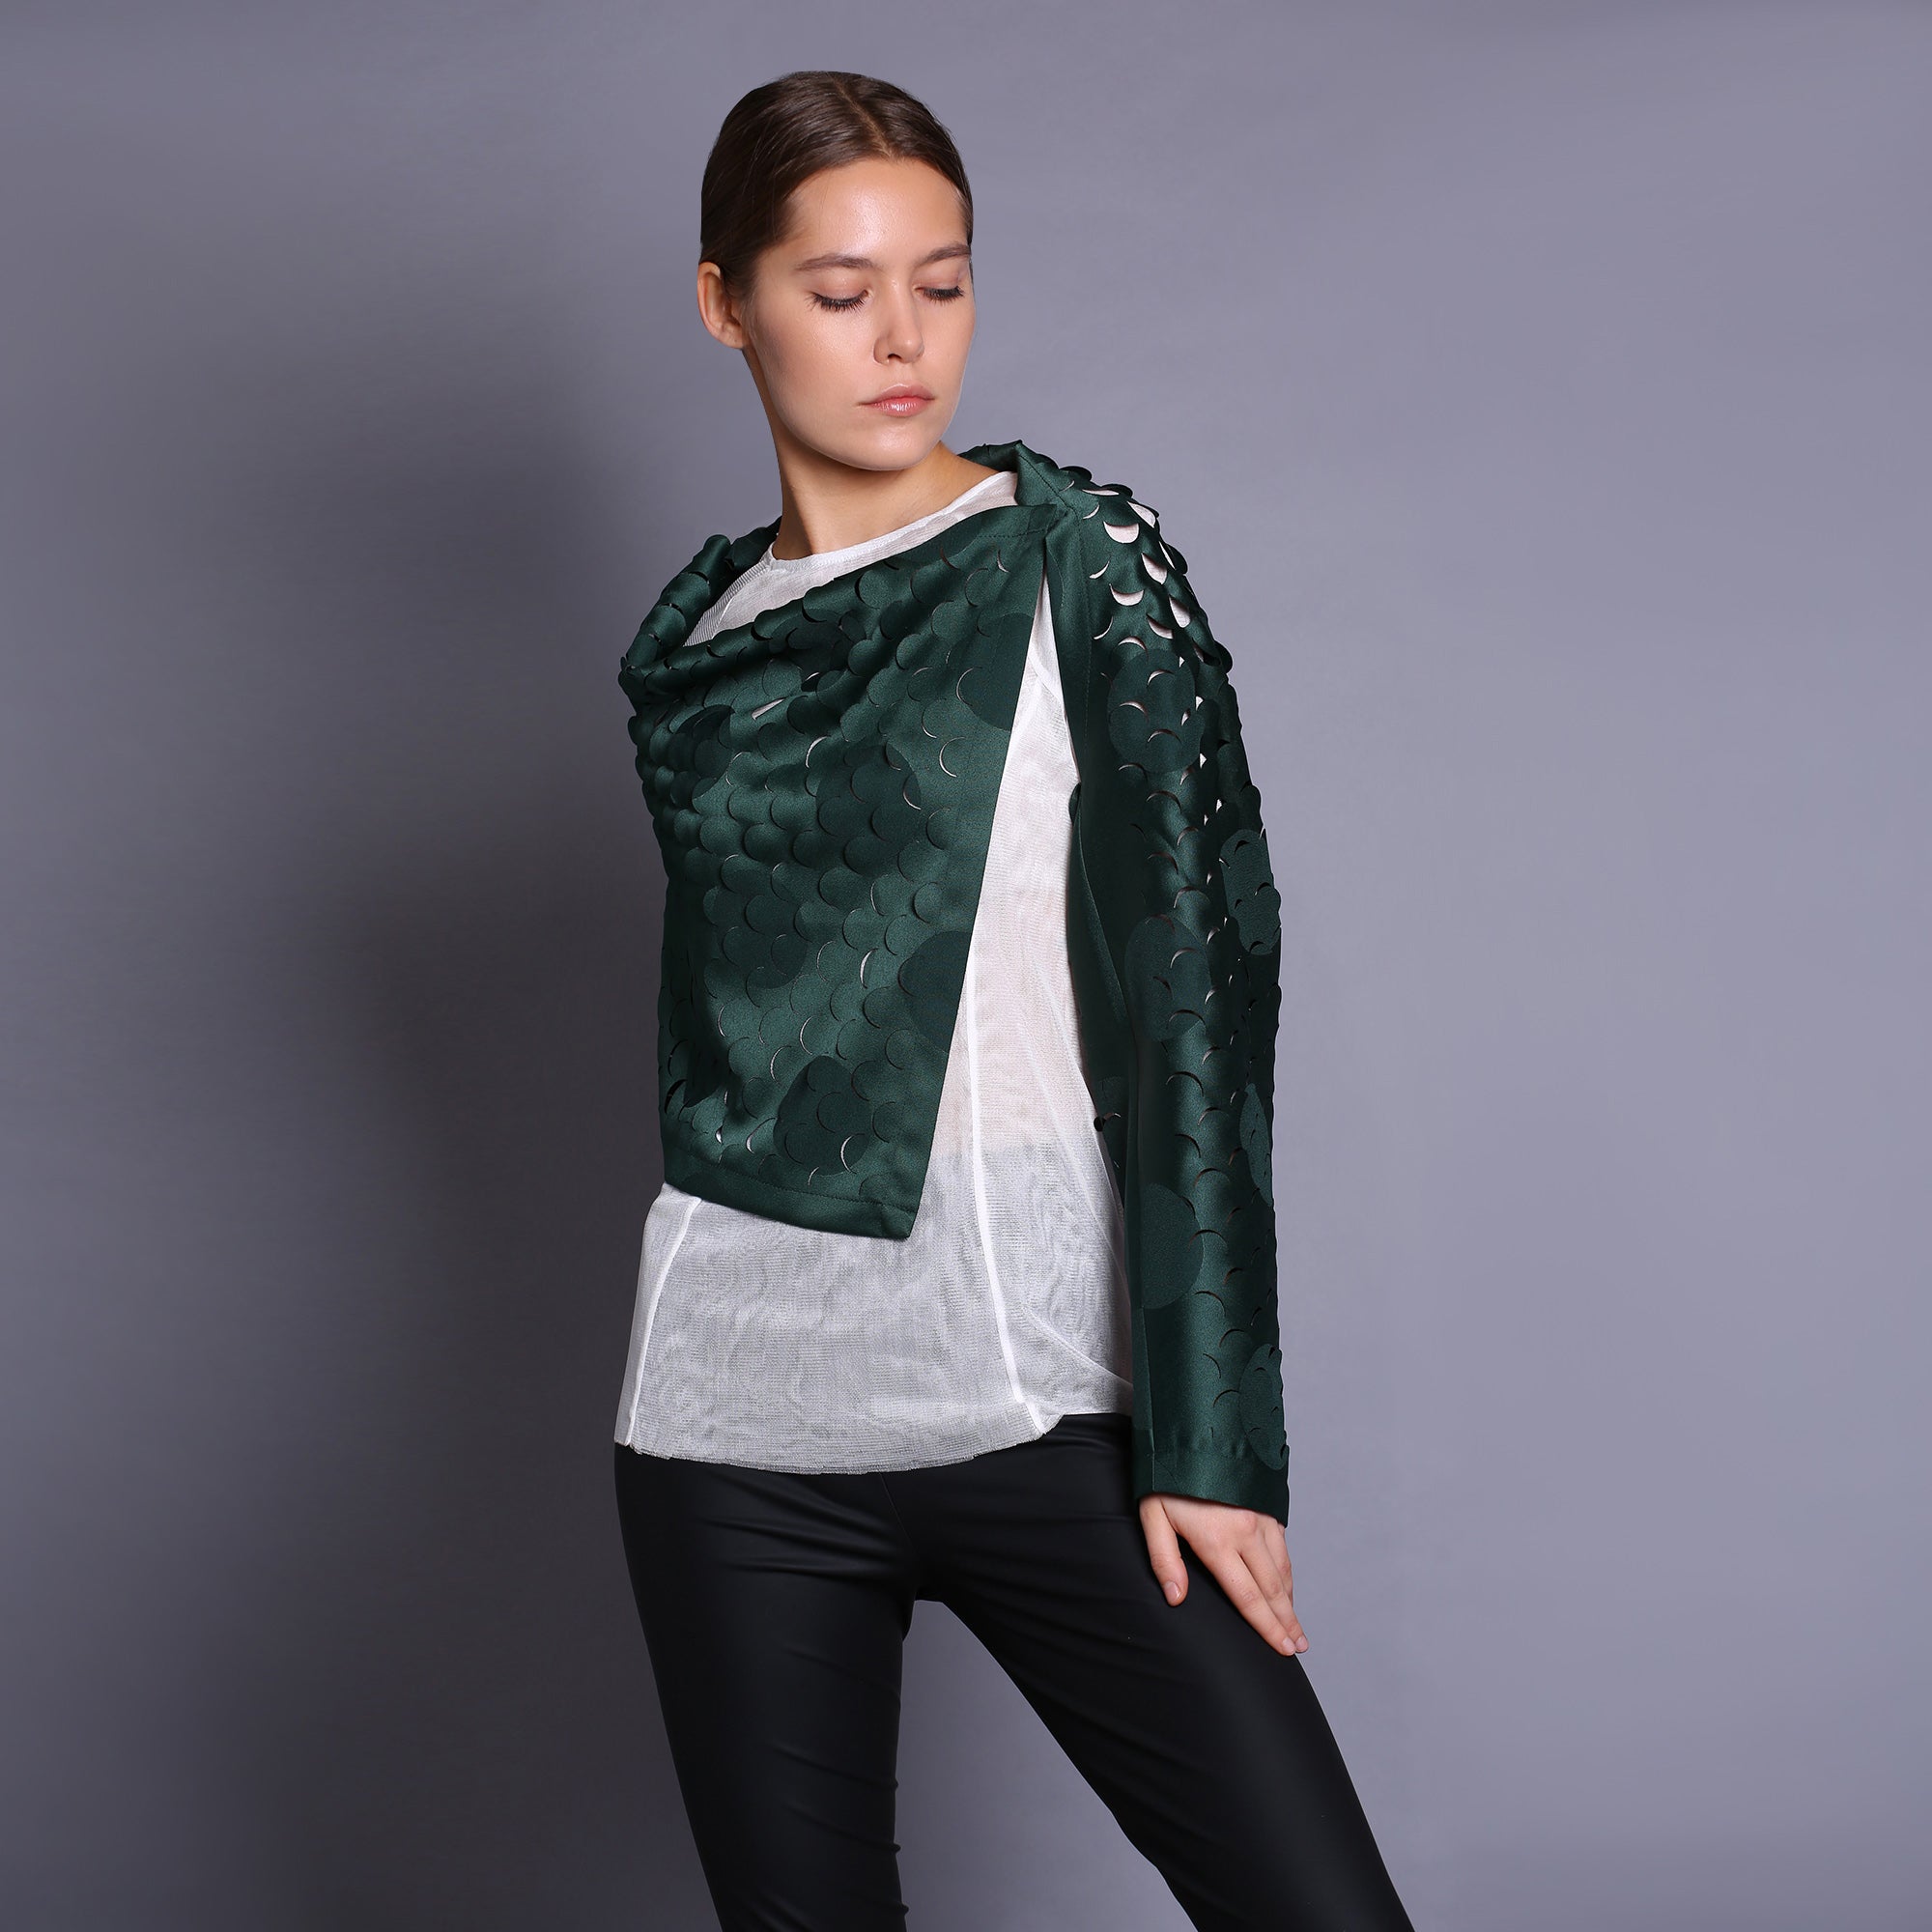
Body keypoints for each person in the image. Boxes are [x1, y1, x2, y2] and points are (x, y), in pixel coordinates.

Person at [610, 69, 1415, 1932]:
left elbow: (1206, 1000)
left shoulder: (1075, 566)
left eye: (944, 282)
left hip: (1050, 1401)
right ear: (726, 302)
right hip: (730, 1420)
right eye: (840, 291)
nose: (904, 338)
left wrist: (1213, 1439)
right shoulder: (701, 640)